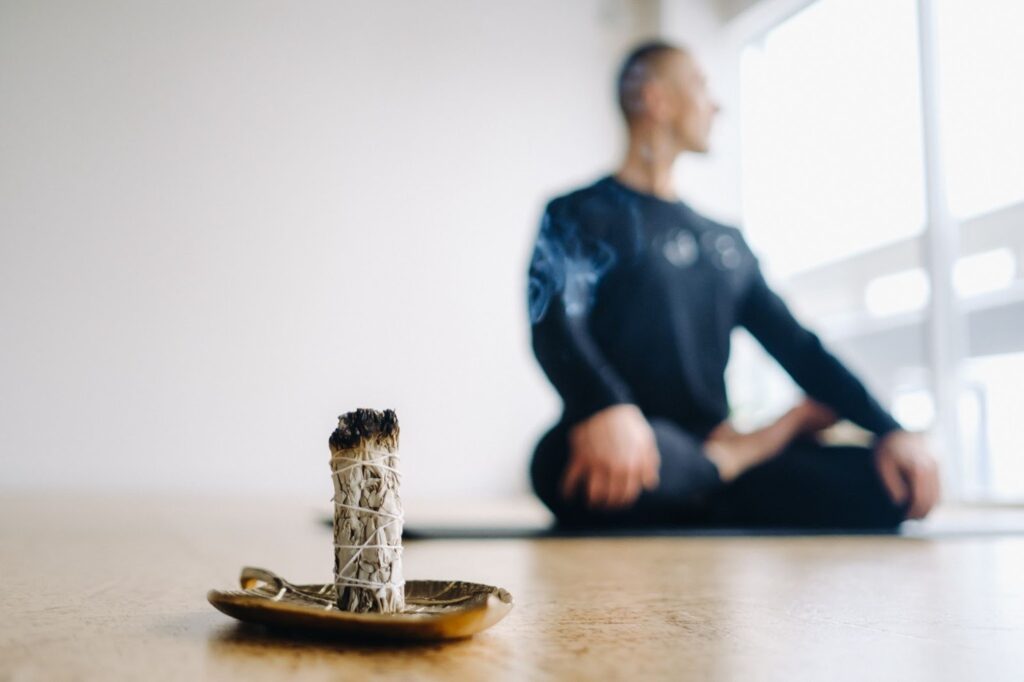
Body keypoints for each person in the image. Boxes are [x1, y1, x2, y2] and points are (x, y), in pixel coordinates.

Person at [527, 41, 940, 529]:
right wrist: (606, 407)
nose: (715, 104)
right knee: (557, 467)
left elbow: (800, 348)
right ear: (655, 99)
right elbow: (553, 321)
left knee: (888, 485)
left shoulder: (723, 243)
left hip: (698, 443)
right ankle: (740, 458)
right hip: (621, 444)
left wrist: (892, 430)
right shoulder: (577, 214)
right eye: (701, 86)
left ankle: (703, 480)